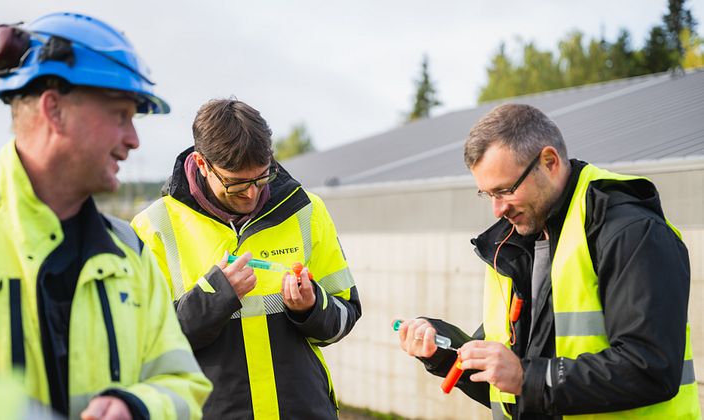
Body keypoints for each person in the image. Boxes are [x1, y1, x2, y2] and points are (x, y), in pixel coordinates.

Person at [0, 12, 211, 419]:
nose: (133, 140)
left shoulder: (132, 253)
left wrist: (138, 407)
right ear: (54, 110)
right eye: (120, 116)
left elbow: (184, 383)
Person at [395, 103, 700, 419]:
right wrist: (443, 352)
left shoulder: (629, 230)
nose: (497, 210)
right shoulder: (514, 245)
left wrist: (527, 377)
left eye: (505, 190)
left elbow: (650, 367)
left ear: (550, 161)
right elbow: (507, 384)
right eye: (487, 195)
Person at [131, 98, 362, 419]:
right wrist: (213, 297)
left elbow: (344, 317)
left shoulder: (307, 211)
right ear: (201, 163)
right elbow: (141, 347)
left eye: (261, 178)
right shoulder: (154, 228)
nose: (251, 194)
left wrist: (311, 308)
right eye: (236, 183)